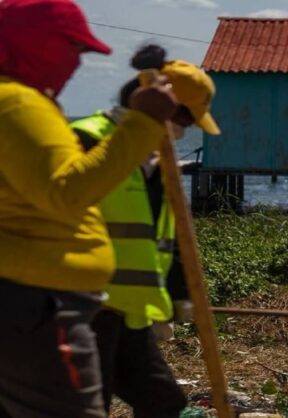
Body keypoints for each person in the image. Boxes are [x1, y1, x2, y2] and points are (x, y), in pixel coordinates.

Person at [0, 1, 179, 417]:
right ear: (37, 44)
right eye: (73, 49)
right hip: (39, 304)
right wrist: (143, 123)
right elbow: (67, 191)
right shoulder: (19, 104)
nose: (77, 64)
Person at [71, 44, 220, 418]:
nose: (182, 133)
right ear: (166, 109)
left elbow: (163, 238)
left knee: (163, 402)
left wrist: (179, 295)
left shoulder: (160, 164)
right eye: (184, 123)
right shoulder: (89, 140)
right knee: (90, 406)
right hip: (85, 307)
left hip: (129, 313)